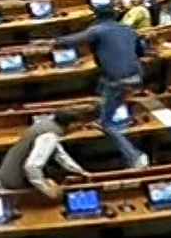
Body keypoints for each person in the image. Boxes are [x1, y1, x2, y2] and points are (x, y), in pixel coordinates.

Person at [45, 9, 149, 170]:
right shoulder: (128, 29)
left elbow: (70, 41)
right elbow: (141, 51)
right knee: (102, 85)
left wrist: (50, 42)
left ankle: (136, 156)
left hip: (118, 82)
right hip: (136, 77)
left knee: (106, 124)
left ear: (97, 19)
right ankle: (103, 110)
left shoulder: (98, 30)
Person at [0, 109, 88, 198]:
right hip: (15, 182)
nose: (82, 128)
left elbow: (60, 154)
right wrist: (47, 190)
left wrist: (80, 171)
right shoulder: (49, 136)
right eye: (79, 125)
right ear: (72, 125)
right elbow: (32, 167)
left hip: (8, 174)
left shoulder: (45, 125)